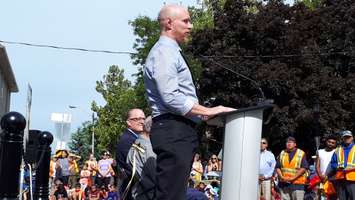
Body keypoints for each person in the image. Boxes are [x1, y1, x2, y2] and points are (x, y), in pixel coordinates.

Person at [143, 5, 235, 199]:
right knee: (171, 195)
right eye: (185, 21)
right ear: (169, 23)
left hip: (178, 131)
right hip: (173, 130)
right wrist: (208, 111)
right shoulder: (164, 52)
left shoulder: (171, 52)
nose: (190, 26)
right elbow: (170, 96)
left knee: (174, 193)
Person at [116, 108, 146, 198]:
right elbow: (135, 167)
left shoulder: (136, 139)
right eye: (137, 119)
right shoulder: (127, 140)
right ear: (128, 122)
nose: (142, 122)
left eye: (143, 119)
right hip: (132, 190)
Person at [126, 116, 156, 200]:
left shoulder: (135, 145)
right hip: (149, 195)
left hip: (138, 193)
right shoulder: (149, 148)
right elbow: (154, 176)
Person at [328, 130, 355, 200]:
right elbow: (333, 163)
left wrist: (351, 168)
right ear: (342, 139)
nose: (347, 139)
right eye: (345, 137)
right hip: (340, 179)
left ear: (352, 138)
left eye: (348, 137)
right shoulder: (338, 150)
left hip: (353, 179)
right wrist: (337, 167)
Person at [315, 134, 337, 200]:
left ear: (335, 144)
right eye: (329, 142)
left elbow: (336, 166)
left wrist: (326, 176)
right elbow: (317, 165)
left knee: (332, 197)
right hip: (321, 179)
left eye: (333, 143)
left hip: (332, 179)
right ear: (326, 142)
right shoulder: (319, 151)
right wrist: (320, 175)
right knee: (321, 197)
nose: (330, 144)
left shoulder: (336, 152)